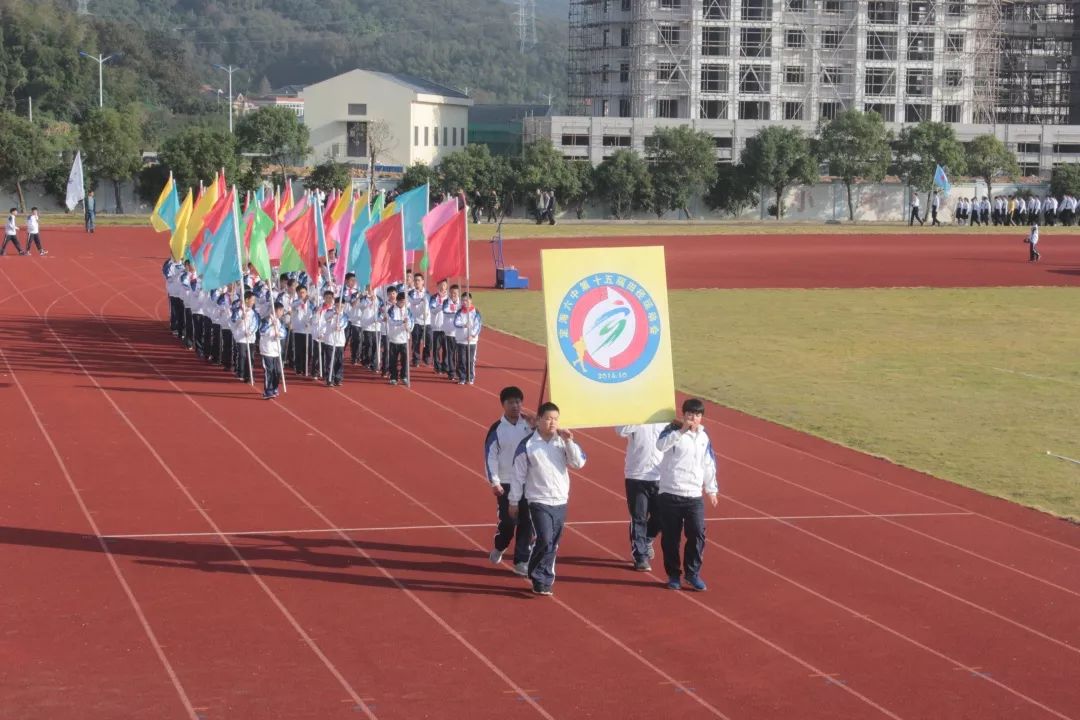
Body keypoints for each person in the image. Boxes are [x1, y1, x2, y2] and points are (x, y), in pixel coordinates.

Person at [509, 402, 586, 596]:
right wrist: (513, 501)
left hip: (560, 499)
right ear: (539, 419)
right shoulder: (527, 445)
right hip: (538, 500)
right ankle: (538, 576)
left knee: (553, 542)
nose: (553, 423)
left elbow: (578, 463)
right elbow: (517, 476)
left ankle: (544, 577)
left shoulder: (562, 442)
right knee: (544, 538)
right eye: (549, 418)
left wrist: (569, 441)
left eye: (556, 419)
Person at [656, 398, 718, 592]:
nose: (694, 418)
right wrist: (681, 430)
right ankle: (674, 574)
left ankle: (692, 573)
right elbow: (660, 446)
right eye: (690, 414)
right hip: (670, 493)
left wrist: (711, 490)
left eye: (698, 415)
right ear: (684, 415)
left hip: (693, 495)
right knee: (671, 538)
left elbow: (708, 463)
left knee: (697, 533)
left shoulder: (703, 437)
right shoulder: (672, 431)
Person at [485, 386, 537, 576]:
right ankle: (500, 545)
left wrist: (536, 426)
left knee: (527, 520)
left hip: (527, 480)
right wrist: (495, 482)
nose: (516, 406)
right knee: (508, 522)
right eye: (511, 402)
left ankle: (521, 560)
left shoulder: (529, 424)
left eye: (518, 402)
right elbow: (490, 456)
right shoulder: (497, 429)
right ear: (503, 405)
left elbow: (544, 441)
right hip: (506, 482)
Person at [616, 423, 667, 572]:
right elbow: (620, 431)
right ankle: (640, 556)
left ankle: (647, 539)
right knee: (639, 517)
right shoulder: (635, 416)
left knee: (663, 516)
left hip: (660, 476)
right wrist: (639, 417)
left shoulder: (665, 419)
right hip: (636, 475)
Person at [259, 302, 287, 399]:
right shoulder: (265, 320)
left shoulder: (280, 321)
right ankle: (267, 391)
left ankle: (275, 387)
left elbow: (284, 333)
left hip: (276, 350)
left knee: (278, 371)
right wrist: (271, 325)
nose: (282, 313)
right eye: (281, 310)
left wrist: (279, 334)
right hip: (267, 350)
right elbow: (262, 331)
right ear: (276, 310)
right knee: (269, 370)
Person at [453, 292, 482, 385]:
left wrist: (472, 335)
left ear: (470, 300)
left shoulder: (476, 312)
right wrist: (464, 325)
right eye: (463, 300)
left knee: (470, 360)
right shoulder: (459, 312)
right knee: (461, 359)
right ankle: (462, 377)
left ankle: (470, 377)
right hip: (461, 339)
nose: (464, 302)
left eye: (466, 300)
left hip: (471, 341)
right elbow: (456, 323)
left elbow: (478, 326)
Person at [386, 291, 414, 386]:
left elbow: (412, 322)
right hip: (394, 339)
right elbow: (392, 322)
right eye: (401, 301)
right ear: (397, 301)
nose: (403, 303)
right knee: (393, 360)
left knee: (405, 360)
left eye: (404, 301)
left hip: (404, 339)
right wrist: (402, 322)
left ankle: (404, 376)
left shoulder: (408, 311)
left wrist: (409, 328)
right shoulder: (391, 310)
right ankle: (393, 377)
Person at [232, 291, 259, 384]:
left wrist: (250, 332)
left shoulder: (253, 313)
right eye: (252, 300)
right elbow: (232, 322)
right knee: (242, 355)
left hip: (250, 338)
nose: (253, 302)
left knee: (250, 357)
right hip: (241, 337)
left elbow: (256, 324)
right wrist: (241, 319)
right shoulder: (238, 311)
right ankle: (241, 373)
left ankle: (249, 375)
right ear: (247, 300)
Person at [321, 297, 348, 387]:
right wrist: (334, 314)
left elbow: (344, 324)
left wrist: (339, 327)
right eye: (337, 305)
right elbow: (326, 318)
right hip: (330, 340)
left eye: (341, 305)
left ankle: (338, 378)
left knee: (339, 361)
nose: (339, 307)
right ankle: (329, 379)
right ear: (335, 304)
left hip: (339, 341)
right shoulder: (329, 312)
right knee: (330, 361)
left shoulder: (345, 315)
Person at [407, 273, 432, 367]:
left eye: (419, 280)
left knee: (429, 341)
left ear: (423, 281)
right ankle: (416, 359)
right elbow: (413, 302)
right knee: (416, 341)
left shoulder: (427, 293)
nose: (417, 282)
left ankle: (426, 358)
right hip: (416, 321)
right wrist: (421, 299)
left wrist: (427, 312)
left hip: (427, 321)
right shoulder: (411, 293)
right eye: (416, 280)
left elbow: (430, 304)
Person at [429, 279, 450, 374]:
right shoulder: (434, 298)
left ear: (446, 286)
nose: (442, 287)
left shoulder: (450, 298)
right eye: (440, 285)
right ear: (437, 286)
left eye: (444, 285)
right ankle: (437, 367)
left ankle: (445, 366)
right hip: (436, 328)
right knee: (436, 349)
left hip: (446, 328)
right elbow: (432, 310)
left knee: (446, 349)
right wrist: (442, 305)